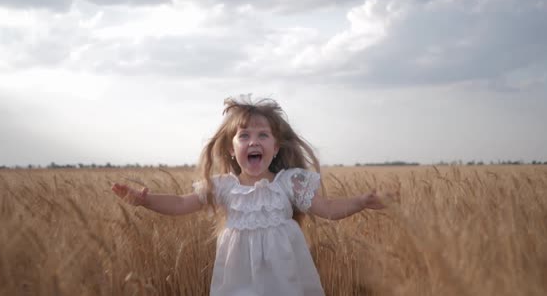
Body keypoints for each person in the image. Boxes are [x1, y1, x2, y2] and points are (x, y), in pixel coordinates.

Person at [112, 95, 390, 296]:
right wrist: (145, 200)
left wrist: (361, 201)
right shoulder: (223, 186)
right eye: (244, 136)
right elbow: (181, 203)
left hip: (284, 281)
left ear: (276, 147)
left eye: (263, 135)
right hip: (238, 281)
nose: (253, 141)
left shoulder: (289, 183)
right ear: (232, 149)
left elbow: (326, 208)